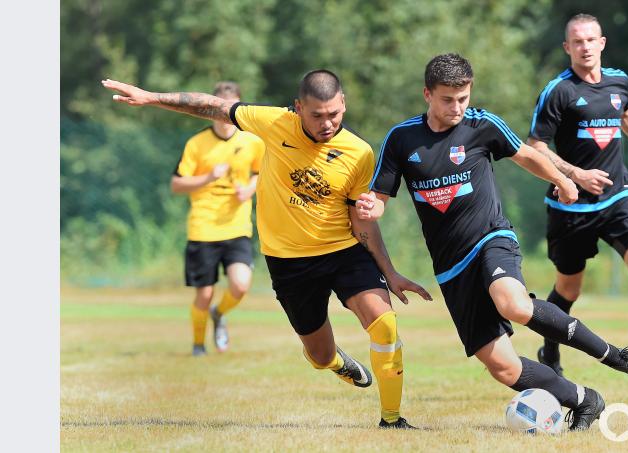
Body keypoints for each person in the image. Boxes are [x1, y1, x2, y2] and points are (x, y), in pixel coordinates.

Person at [102, 70, 431, 429]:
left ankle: (392, 419)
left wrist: (390, 271)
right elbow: (212, 106)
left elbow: (362, 223)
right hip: (290, 263)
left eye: (335, 113)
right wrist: (151, 97)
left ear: (344, 104)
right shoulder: (274, 123)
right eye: (317, 115)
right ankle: (336, 363)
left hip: (342, 252)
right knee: (319, 357)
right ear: (297, 108)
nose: (327, 123)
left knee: (384, 325)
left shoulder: (359, 153)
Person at [359, 53, 628, 431]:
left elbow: (527, 155)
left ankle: (617, 358)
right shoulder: (402, 139)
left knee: (514, 303)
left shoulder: (482, 124)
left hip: (491, 238)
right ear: (427, 95)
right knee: (501, 366)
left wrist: (564, 179)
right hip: (451, 267)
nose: (457, 107)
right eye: (447, 99)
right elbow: (379, 204)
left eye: (463, 98)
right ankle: (585, 400)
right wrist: (372, 209)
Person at [526, 14, 628, 396]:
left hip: (618, 197)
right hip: (571, 208)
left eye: (590, 40)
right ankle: (550, 352)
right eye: (576, 41)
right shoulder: (557, 92)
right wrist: (577, 175)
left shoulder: (619, 81)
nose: (584, 47)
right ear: (568, 48)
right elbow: (535, 147)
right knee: (569, 289)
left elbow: (626, 114)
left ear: (602, 43)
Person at [170, 81, 264, 357]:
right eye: (219, 111)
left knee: (241, 284)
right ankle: (199, 345)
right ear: (211, 111)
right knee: (204, 293)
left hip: (237, 227)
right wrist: (208, 177)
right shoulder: (197, 143)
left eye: (230, 111)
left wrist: (250, 188)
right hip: (203, 228)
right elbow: (177, 184)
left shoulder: (252, 141)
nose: (224, 117)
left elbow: (262, 173)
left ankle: (219, 314)